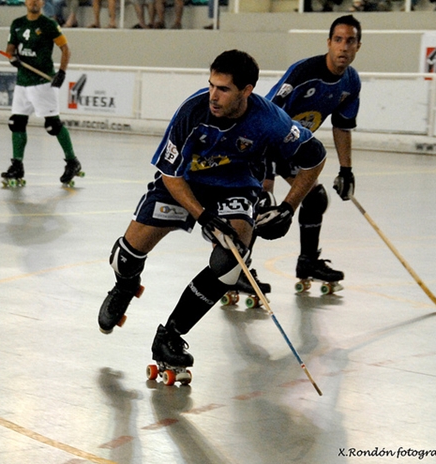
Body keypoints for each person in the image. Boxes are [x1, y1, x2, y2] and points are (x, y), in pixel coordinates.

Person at [97, 50, 327, 373]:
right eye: (211, 85)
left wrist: (289, 208)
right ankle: (125, 285)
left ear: (247, 91)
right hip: (184, 183)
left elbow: (315, 157)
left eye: (224, 89)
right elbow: (170, 174)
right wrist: (203, 215)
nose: (213, 96)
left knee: (230, 263)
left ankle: (170, 336)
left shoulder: (269, 119)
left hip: (235, 186)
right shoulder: (193, 111)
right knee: (125, 256)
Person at [259, 14, 362, 292]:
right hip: (264, 143)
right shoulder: (304, 72)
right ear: (328, 43)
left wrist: (346, 170)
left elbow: (342, 126)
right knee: (259, 203)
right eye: (338, 40)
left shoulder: (350, 82)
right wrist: (266, 175)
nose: (343, 47)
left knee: (315, 198)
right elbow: (264, 116)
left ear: (358, 47)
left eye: (350, 41)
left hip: (294, 148)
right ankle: (237, 269)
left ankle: (307, 262)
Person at [2, 0, 81, 187]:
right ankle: (17, 165)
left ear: (42, 2)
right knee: (16, 123)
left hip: (43, 82)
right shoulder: (17, 24)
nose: (33, 2)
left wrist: (61, 72)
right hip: (23, 82)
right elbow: (9, 50)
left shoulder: (49, 24)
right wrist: (12, 58)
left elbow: (65, 49)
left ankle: (72, 162)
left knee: (53, 126)